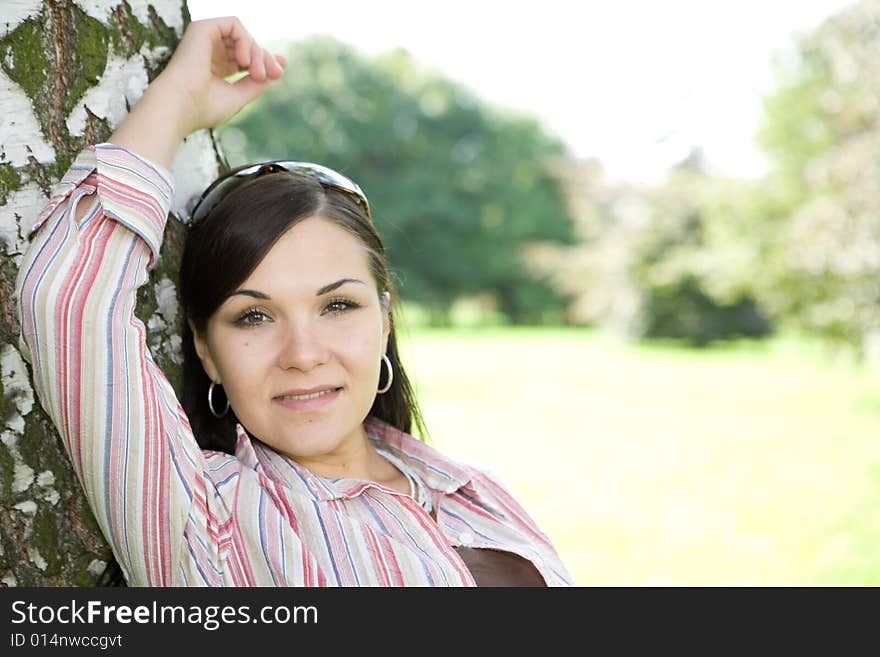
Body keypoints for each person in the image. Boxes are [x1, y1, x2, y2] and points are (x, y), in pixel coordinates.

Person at [16, 17, 573, 587]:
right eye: (253, 315)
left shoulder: (470, 489)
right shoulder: (210, 521)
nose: (302, 354)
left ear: (383, 319)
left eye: (337, 306)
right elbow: (66, 301)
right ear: (206, 350)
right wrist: (177, 99)